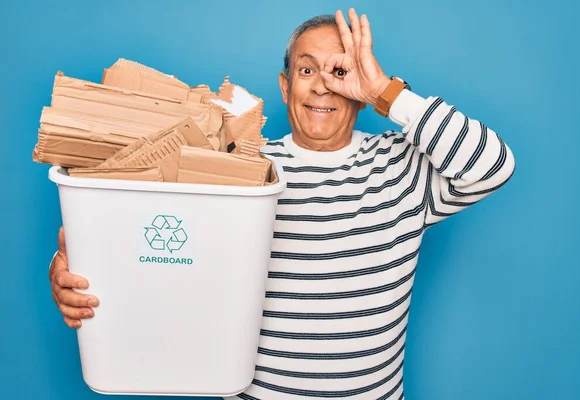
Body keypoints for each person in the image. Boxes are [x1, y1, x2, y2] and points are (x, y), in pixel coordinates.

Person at [48, 8, 515, 400]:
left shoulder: (401, 167)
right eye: (307, 70)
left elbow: (493, 166)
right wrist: (71, 269)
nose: (321, 86)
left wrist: (384, 94)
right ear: (285, 84)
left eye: (340, 72)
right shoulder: (239, 165)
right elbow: (155, 241)